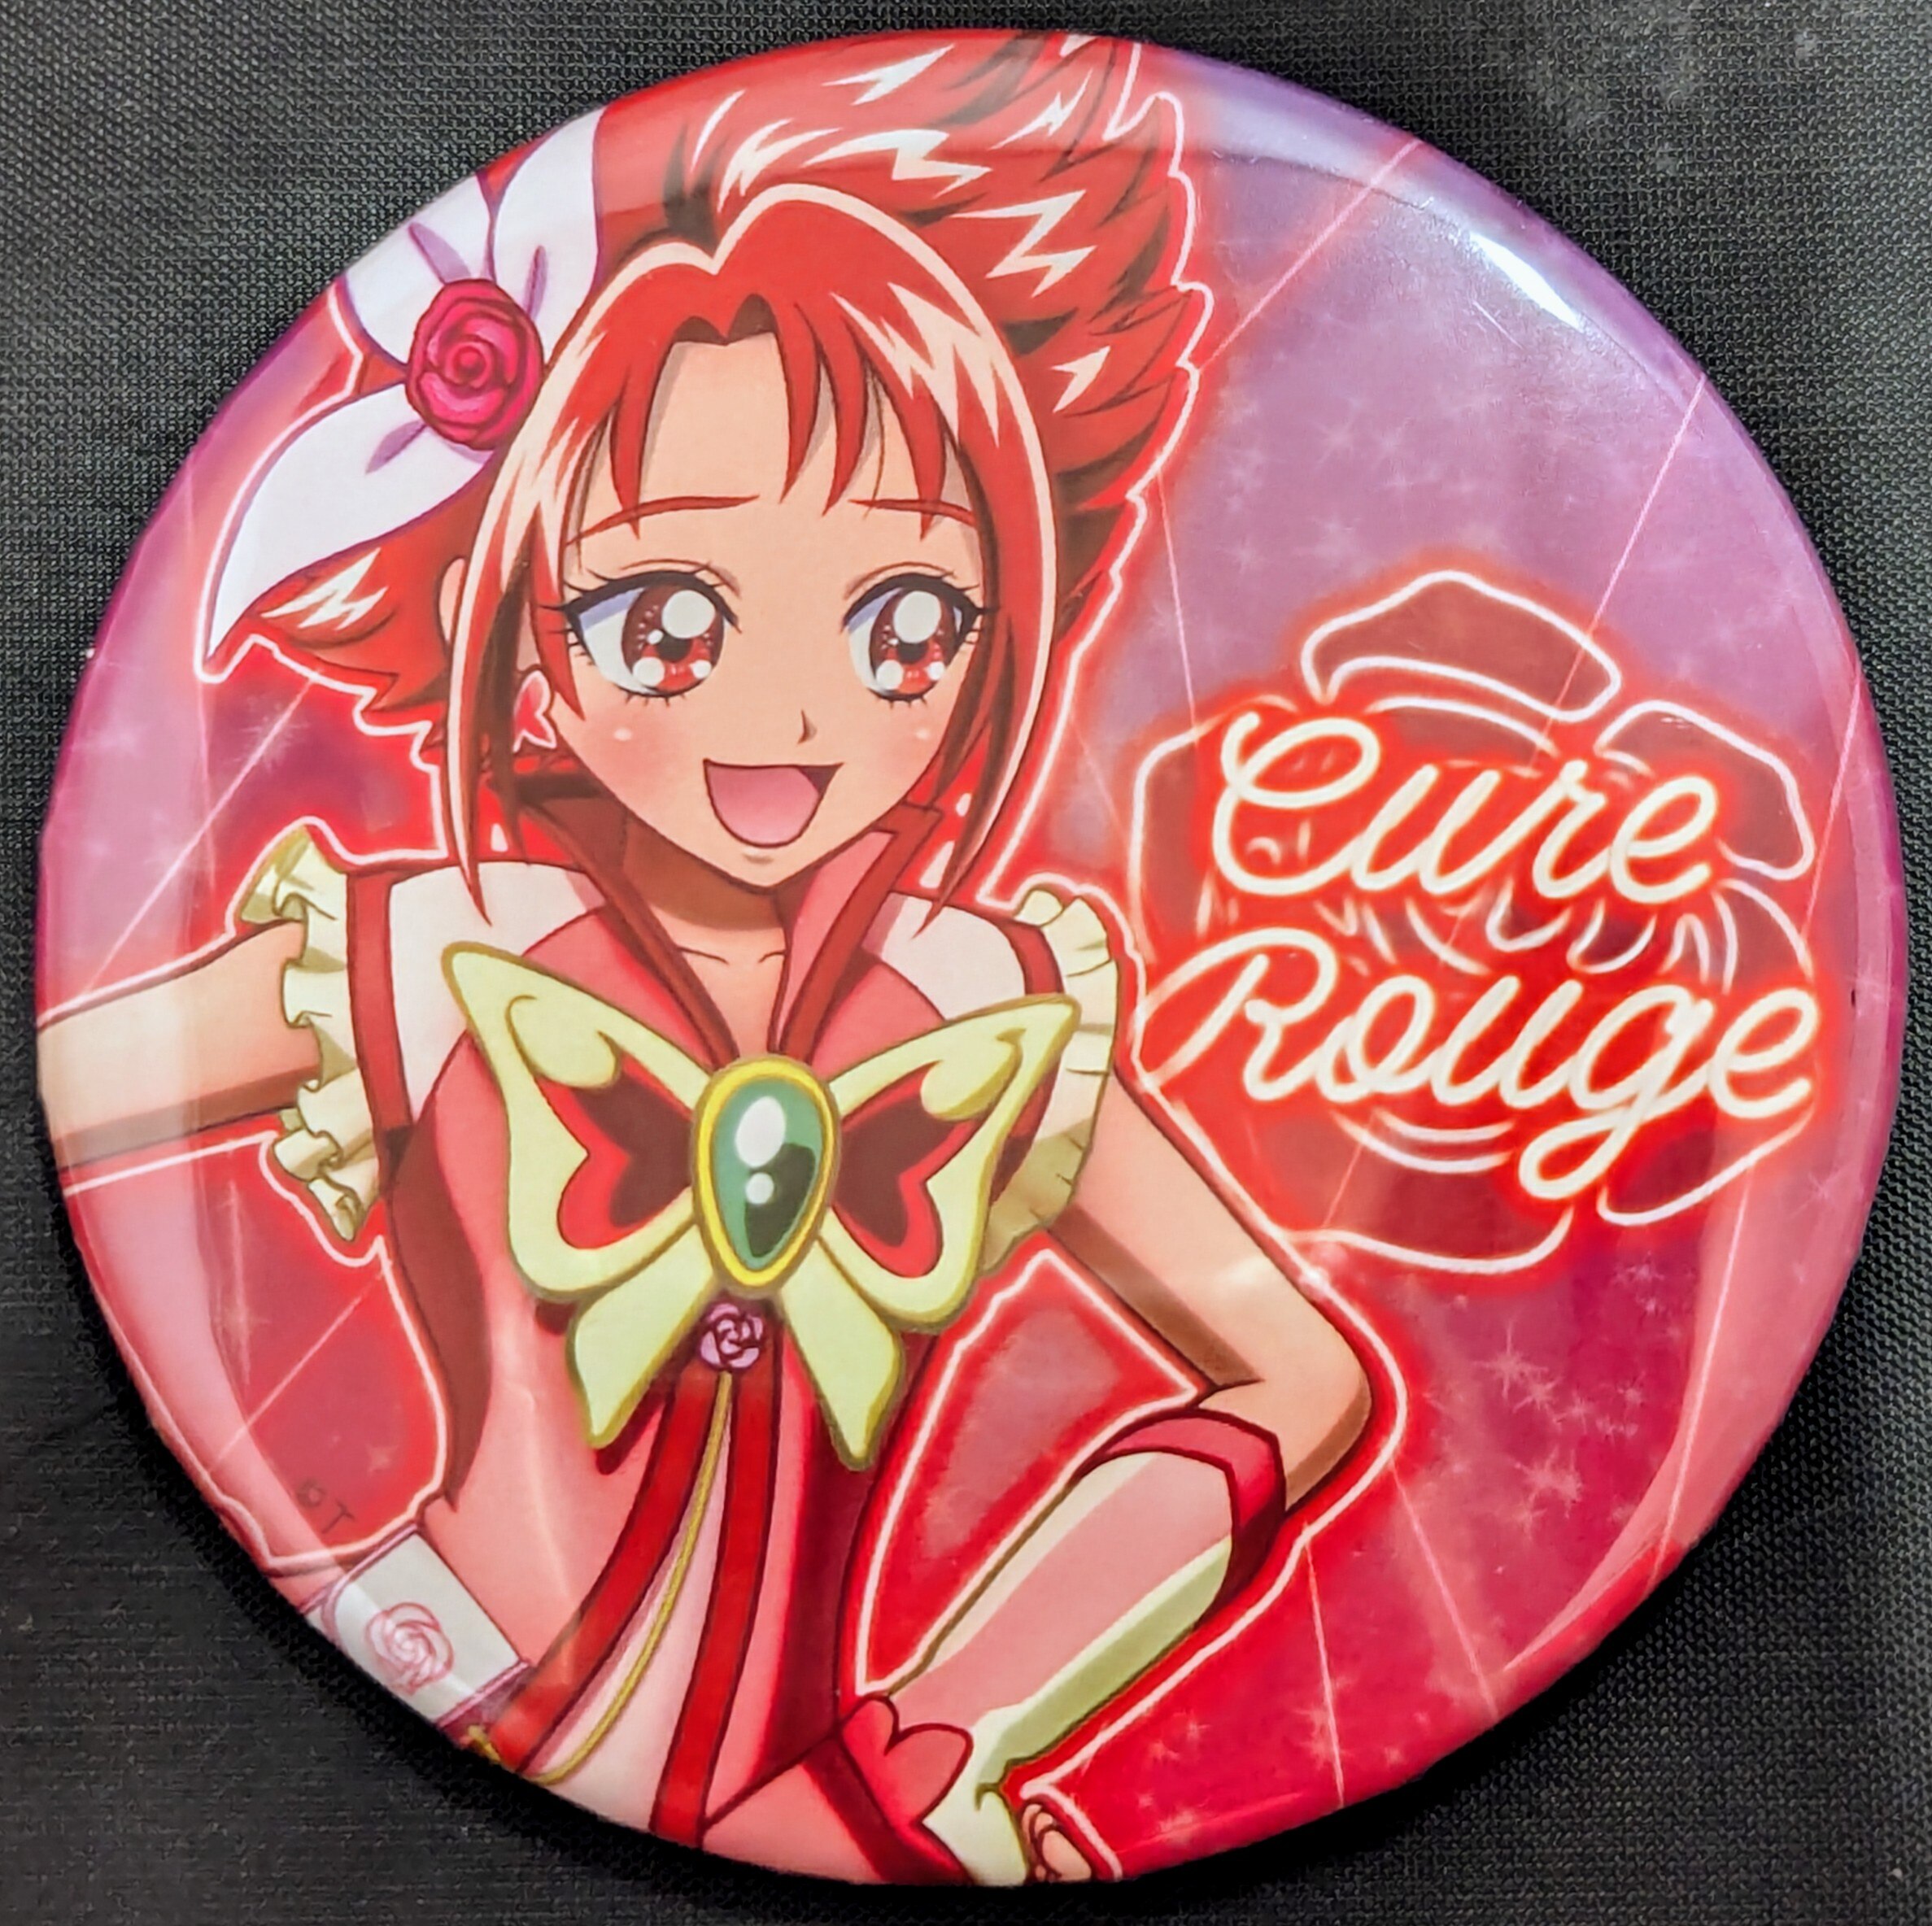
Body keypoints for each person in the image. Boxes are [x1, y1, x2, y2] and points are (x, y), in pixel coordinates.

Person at [39, 32, 1368, 1883]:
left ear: (999, 638)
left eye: (903, 627)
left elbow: (1299, 1379)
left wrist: (953, 1723)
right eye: (668, 620)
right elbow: (77, 1078)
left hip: (828, 1796)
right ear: (520, 639)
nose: (793, 716)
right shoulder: (429, 952)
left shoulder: (987, 1007)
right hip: (422, 1706)